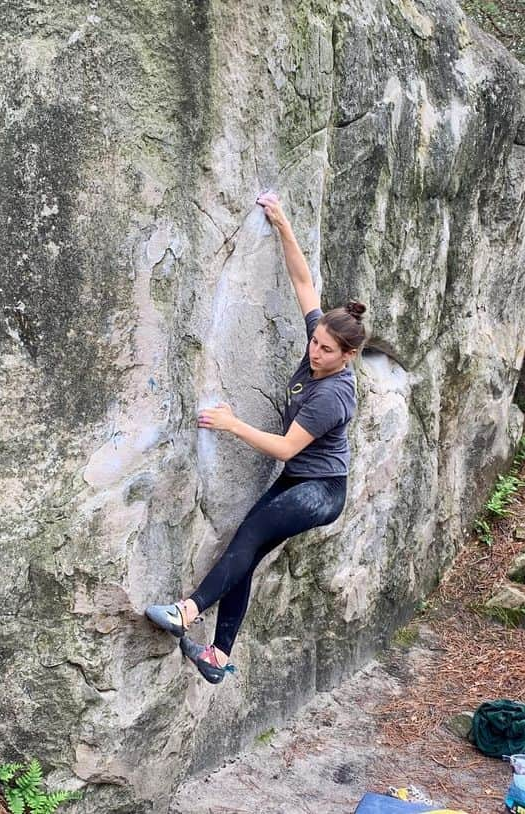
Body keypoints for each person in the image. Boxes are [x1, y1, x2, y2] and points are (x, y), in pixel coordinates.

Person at [145, 191, 368, 684]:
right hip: (297, 481)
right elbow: (303, 282)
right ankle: (218, 657)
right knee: (246, 552)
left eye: (326, 350)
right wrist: (283, 223)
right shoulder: (320, 342)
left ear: (346, 356)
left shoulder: (334, 395)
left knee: (248, 536)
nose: (314, 352)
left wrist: (232, 425)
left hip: (321, 491)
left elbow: (288, 447)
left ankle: (187, 611)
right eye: (314, 342)